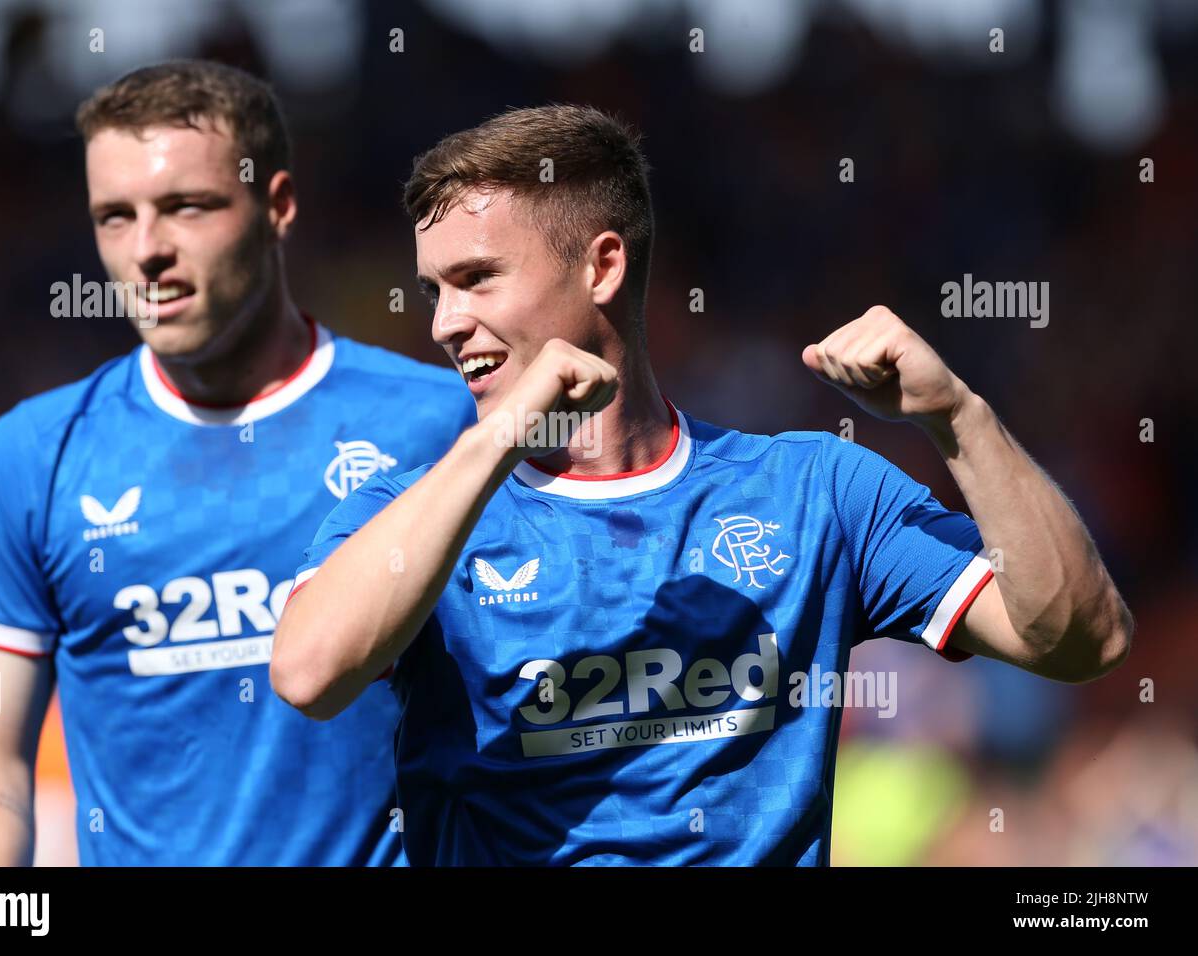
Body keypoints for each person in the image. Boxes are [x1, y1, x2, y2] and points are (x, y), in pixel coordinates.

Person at [271, 104, 1133, 865]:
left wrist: (958, 416)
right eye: (433, 289)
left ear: (601, 267)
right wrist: (500, 436)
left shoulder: (815, 492)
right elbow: (309, 673)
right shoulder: (413, 517)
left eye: (476, 279)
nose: (446, 323)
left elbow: (1080, 640)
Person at [0, 60, 475, 865]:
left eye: (186, 207)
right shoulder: (30, 457)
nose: (147, 250)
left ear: (278, 206)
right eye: (115, 217)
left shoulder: (440, 423)